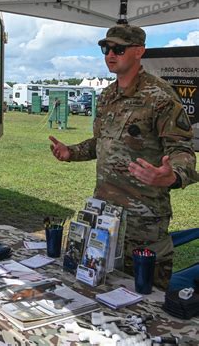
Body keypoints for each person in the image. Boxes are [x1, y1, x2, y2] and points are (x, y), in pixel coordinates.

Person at [49, 24, 197, 290]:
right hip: (105, 219)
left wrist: (172, 175)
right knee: (102, 292)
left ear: (139, 52)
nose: (110, 54)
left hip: (143, 223)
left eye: (118, 48)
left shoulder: (160, 97)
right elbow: (102, 143)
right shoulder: (107, 95)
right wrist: (71, 152)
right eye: (106, 48)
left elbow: (182, 150)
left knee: (146, 303)